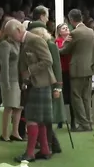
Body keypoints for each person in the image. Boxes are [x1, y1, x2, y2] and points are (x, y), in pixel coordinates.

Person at [4, 19, 56, 162]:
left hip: (39, 84)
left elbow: (48, 61)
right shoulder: (26, 41)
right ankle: (45, 150)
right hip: (36, 84)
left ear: (18, 31)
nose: (10, 38)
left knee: (32, 119)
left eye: (10, 34)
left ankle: (30, 153)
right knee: (39, 120)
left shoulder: (34, 40)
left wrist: (29, 71)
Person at [27, 21, 65, 155]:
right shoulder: (36, 45)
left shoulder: (50, 45)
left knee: (47, 117)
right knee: (45, 117)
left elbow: (57, 67)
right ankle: (51, 145)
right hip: (41, 84)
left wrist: (58, 87)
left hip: (50, 84)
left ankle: (49, 145)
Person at [60, 9, 94, 132]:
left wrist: (61, 44)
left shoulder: (75, 33)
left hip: (77, 68)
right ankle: (89, 122)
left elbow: (65, 50)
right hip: (89, 68)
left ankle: (83, 124)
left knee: (76, 97)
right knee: (86, 97)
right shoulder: (91, 32)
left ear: (71, 19)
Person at [0, 20, 23, 142]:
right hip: (10, 79)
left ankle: (15, 132)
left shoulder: (18, 44)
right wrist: (6, 82)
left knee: (18, 107)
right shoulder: (5, 44)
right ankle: (4, 133)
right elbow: (5, 65)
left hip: (18, 79)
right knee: (9, 107)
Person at [55, 23, 75, 129]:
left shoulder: (72, 40)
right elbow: (59, 53)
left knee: (71, 96)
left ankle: (73, 121)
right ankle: (60, 120)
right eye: (64, 28)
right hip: (62, 71)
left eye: (67, 27)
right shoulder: (57, 42)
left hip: (71, 70)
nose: (66, 29)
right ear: (59, 32)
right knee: (61, 96)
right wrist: (64, 43)